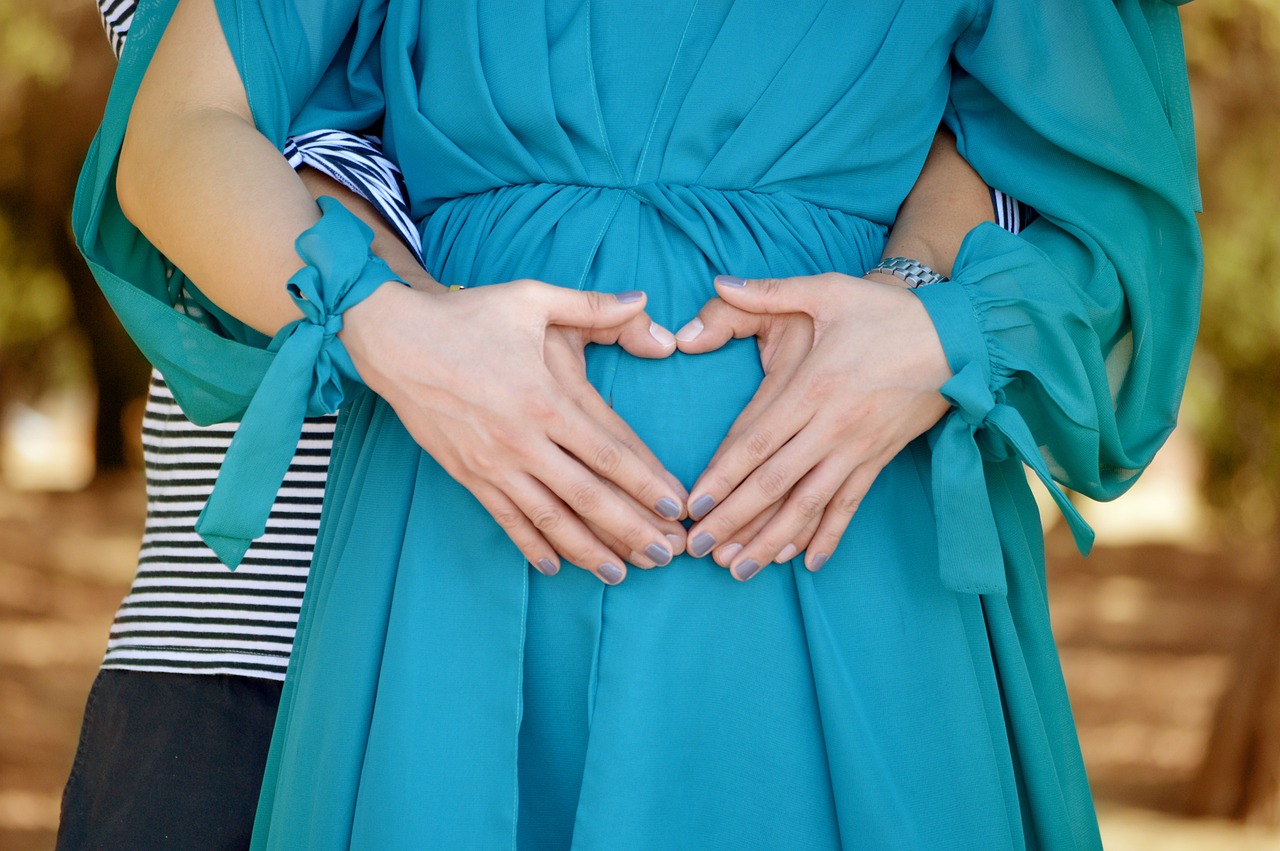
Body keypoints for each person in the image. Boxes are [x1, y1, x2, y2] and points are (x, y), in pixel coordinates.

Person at [76, 0, 1202, 847]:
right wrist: (388, 326)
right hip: (448, 544)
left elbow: (1104, 199)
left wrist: (932, 328)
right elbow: (184, 132)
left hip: (847, 540)